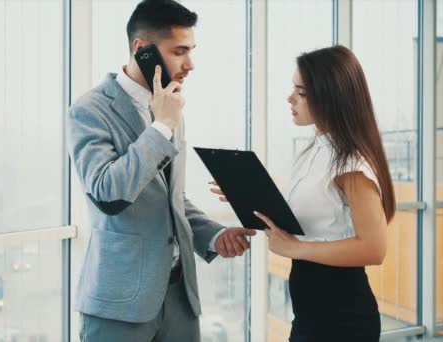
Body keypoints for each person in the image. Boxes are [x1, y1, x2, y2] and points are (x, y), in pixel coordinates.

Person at [66, 1, 256, 341]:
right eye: (179, 51)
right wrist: (162, 126)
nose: (190, 64)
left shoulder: (168, 105)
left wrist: (213, 235)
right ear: (143, 50)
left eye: (191, 50)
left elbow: (170, 197)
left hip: (179, 298)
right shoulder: (90, 110)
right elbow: (108, 193)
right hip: (120, 304)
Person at [213, 45, 395, 341]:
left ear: (329, 96)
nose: (290, 98)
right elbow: (309, 219)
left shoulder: (350, 164)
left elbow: (374, 248)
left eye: (301, 92)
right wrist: (246, 194)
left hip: (342, 318)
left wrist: (297, 249)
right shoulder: (315, 151)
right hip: (311, 313)